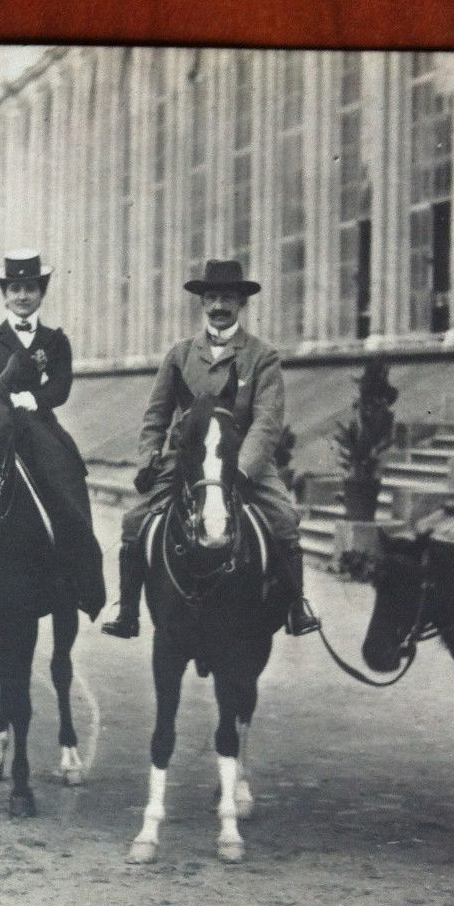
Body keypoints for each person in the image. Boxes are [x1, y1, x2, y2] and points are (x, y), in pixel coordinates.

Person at [101, 259, 320, 639]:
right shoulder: (181, 354)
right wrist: (149, 456)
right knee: (134, 522)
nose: (220, 306)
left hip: (240, 460)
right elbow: (156, 414)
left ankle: (296, 607)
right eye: (213, 298)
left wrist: (242, 468)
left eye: (228, 298)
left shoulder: (261, 356)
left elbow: (267, 421)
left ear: (242, 304)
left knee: (284, 520)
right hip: (187, 461)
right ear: (202, 303)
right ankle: (128, 609)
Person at [0, 249, 106, 617]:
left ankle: (81, 583)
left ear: (41, 293)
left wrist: (32, 399)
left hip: (37, 429)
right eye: (15, 288)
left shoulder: (54, 341)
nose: (22, 296)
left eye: (30, 288)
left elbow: (62, 386)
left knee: (66, 491)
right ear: (4, 294)